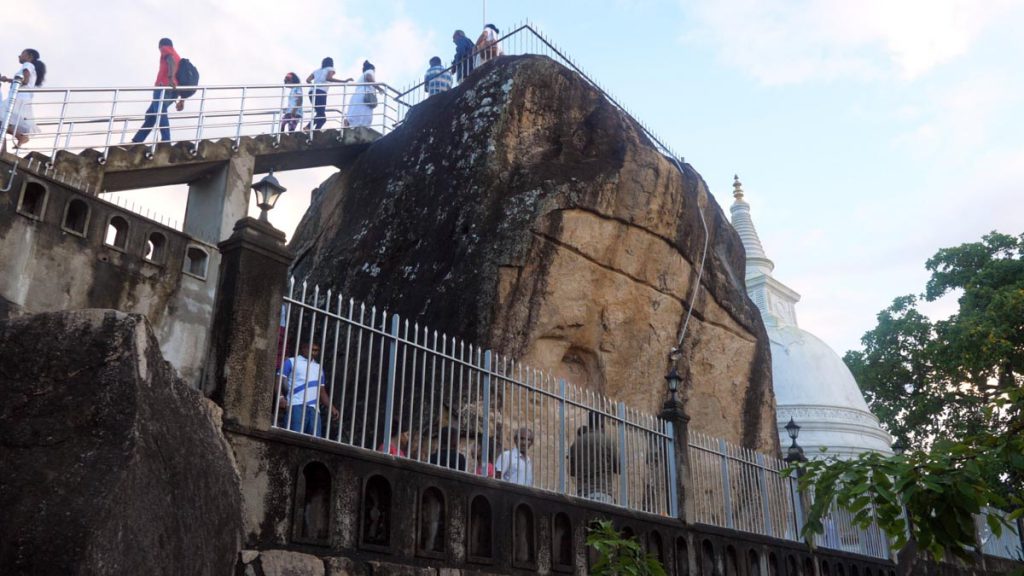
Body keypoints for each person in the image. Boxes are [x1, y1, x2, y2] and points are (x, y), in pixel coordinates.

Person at [278, 341, 339, 437]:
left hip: (314, 410)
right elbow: (279, 379)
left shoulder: (318, 367)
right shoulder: (291, 361)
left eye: (316, 350)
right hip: (296, 405)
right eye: (312, 349)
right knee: (293, 438)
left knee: (315, 442)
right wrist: (281, 397)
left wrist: (331, 407)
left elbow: (321, 391)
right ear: (304, 349)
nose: (314, 352)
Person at [131, 38, 185, 144]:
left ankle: (166, 140)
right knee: (151, 114)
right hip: (173, 92)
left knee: (160, 112)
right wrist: (182, 99)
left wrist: (170, 78)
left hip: (163, 87)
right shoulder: (178, 56)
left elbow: (171, 62)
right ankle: (137, 140)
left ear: (161, 46)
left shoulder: (166, 49)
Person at [569, 411, 619, 503]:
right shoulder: (608, 441)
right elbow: (619, 468)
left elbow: (572, 471)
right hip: (603, 491)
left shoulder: (576, 443)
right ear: (601, 423)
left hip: (582, 493)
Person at [1, 49, 46, 149]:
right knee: (3, 121)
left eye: (22, 54)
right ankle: (20, 136)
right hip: (22, 98)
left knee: (2, 120)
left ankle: (20, 137)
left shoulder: (28, 65)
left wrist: (7, 79)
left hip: (19, 98)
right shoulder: (30, 67)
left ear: (29, 56)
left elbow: (24, 81)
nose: (19, 56)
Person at [305, 58, 352, 131]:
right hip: (321, 92)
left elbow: (308, 80)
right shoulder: (330, 68)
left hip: (311, 92)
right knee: (321, 115)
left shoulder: (317, 70)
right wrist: (344, 81)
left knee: (322, 117)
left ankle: (315, 132)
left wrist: (314, 85)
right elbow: (329, 78)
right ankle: (308, 127)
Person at [345, 60, 382, 129]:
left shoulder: (361, 76)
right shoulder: (370, 71)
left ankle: (350, 126)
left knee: (354, 112)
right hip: (364, 96)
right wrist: (378, 88)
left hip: (358, 95)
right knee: (363, 113)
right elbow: (368, 77)